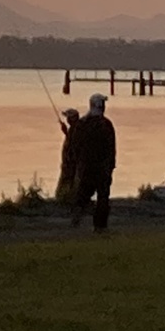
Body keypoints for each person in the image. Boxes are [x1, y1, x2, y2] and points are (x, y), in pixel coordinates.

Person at [68, 94, 116, 232]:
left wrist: (76, 163)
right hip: (102, 167)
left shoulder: (82, 124)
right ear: (101, 106)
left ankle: (76, 216)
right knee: (103, 196)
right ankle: (100, 226)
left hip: (86, 167)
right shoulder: (106, 125)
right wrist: (111, 165)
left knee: (83, 193)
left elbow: (75, 146)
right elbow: (111, 148)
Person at [54, 108, 82, 202]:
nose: (67, 119)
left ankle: (65, 198)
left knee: (66, 182)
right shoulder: (75, 129)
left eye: (68, 117)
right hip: (69, 162)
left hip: (70, 163)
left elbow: (74, 144)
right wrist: (65, 132)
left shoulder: (76, 129)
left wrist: (66, 132)